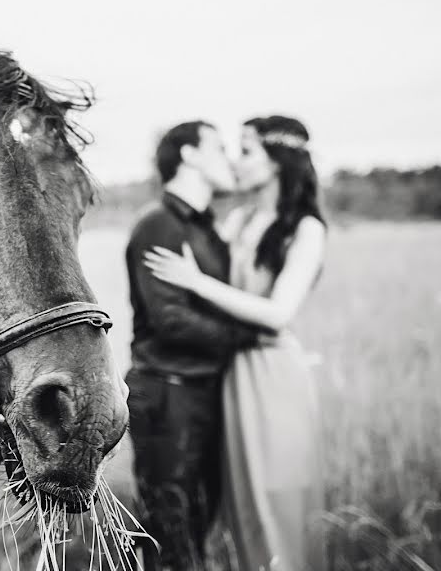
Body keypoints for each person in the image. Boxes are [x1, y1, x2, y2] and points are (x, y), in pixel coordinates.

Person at [143, 115, 327, 571]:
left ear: (278, 160)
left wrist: (197, 283)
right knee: (240, 506)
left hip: (272, 375)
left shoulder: (306, 229)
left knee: (278, 497)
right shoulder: (239, 219)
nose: (236, 162)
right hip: (229, 375)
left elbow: (279, 314)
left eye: (246, 152)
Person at [125, 120, 259, 571]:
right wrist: (248, 338)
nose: (228, 159)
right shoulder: (159, 225)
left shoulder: (208, 229)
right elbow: (170, 321)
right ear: (189, 155)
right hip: (167, 394)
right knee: (171, 529)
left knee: (199, 519)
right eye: (218, 147)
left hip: (203, 392)